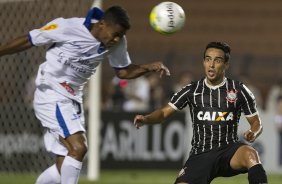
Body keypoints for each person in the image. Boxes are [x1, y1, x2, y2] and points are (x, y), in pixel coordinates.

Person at [0, 6, 170, 184]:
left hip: (73, 98)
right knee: (79, 147)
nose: (116, 39)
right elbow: (29, 39)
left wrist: (148, 68)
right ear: (102, 24)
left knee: (63, 166)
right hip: (51, 92)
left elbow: (123, 72)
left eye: (121, 35)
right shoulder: (68, 27)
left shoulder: (118, 42)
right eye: (115, 33)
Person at [134, 42, 267, 184]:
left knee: (250, 154)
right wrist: (146, 119)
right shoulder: (192, 90)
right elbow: (162, 114)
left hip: (229, 151)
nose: (211, 64)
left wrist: (254, 132)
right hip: (201, 154)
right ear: (203, 62)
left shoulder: (239, 90)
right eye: (208, 59)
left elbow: (256, 122)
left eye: (217, 60)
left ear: (226, 65)